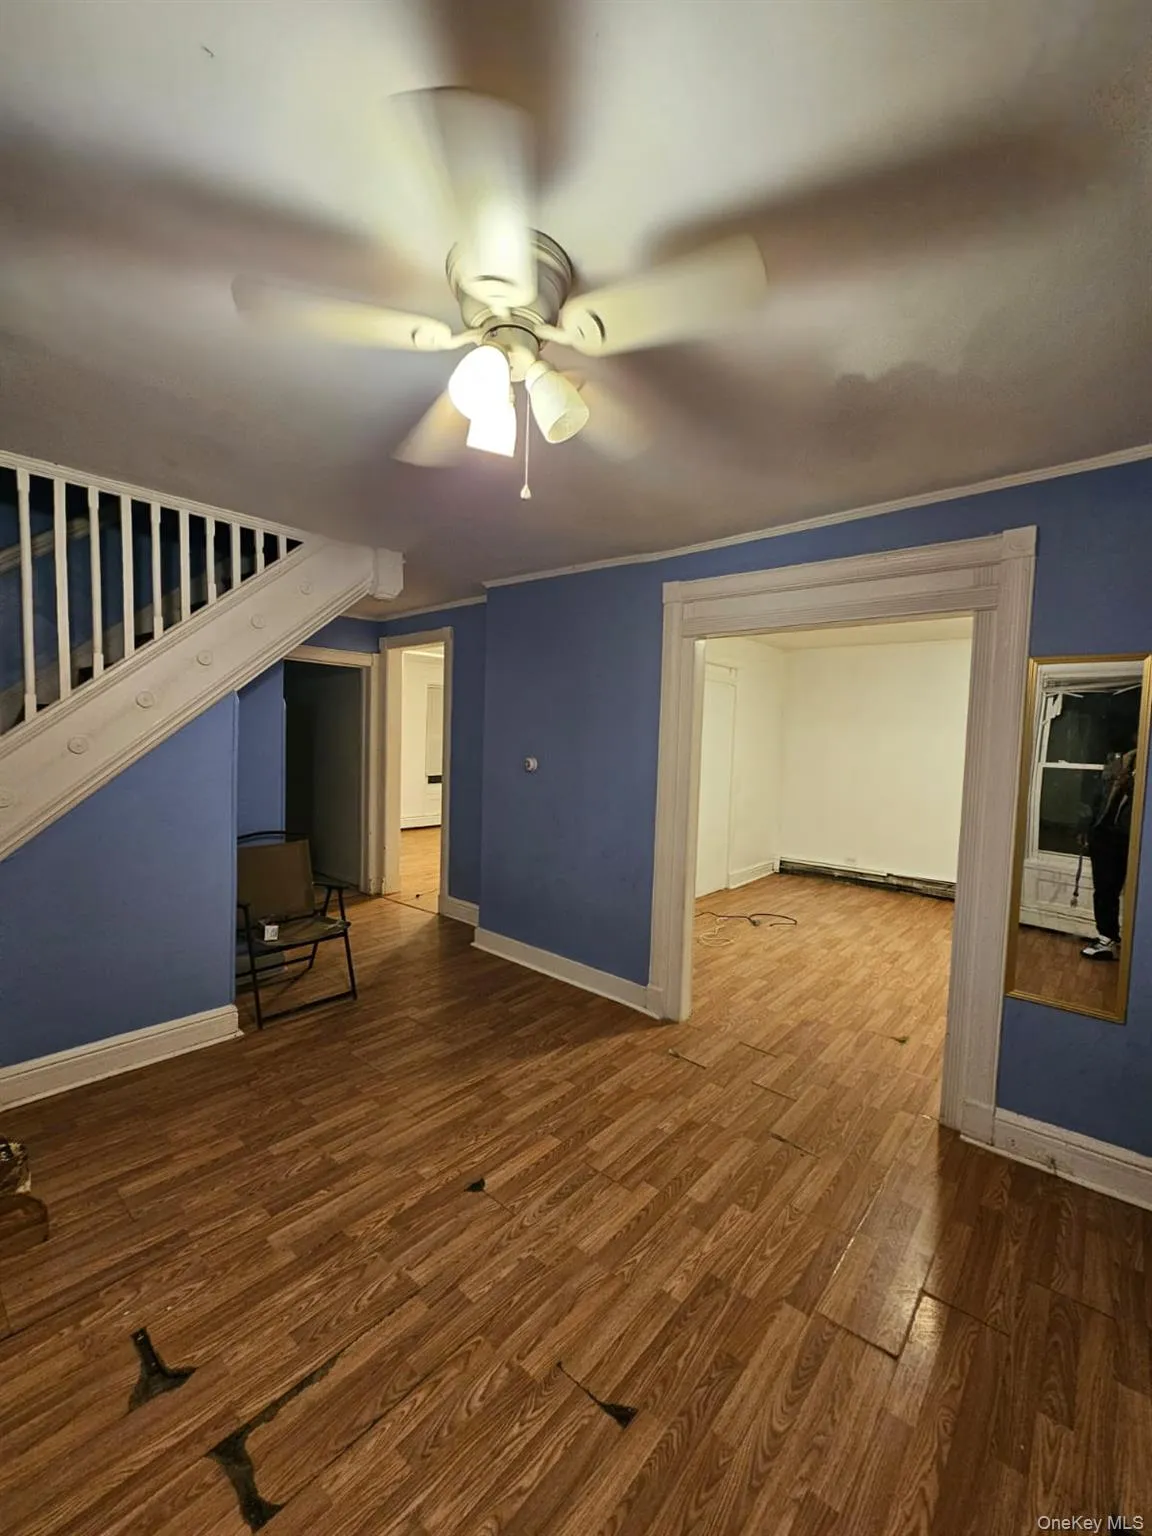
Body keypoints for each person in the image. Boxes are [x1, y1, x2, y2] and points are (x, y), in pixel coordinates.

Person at [1080, 748, 1136, 960]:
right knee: (1104, 890)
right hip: (1105, 835)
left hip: (1131, 838)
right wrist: (1085, 828)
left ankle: (1132, 945)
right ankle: (1107, 938)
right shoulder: (1122, 762)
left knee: (1136, 893)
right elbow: (1097, 799)